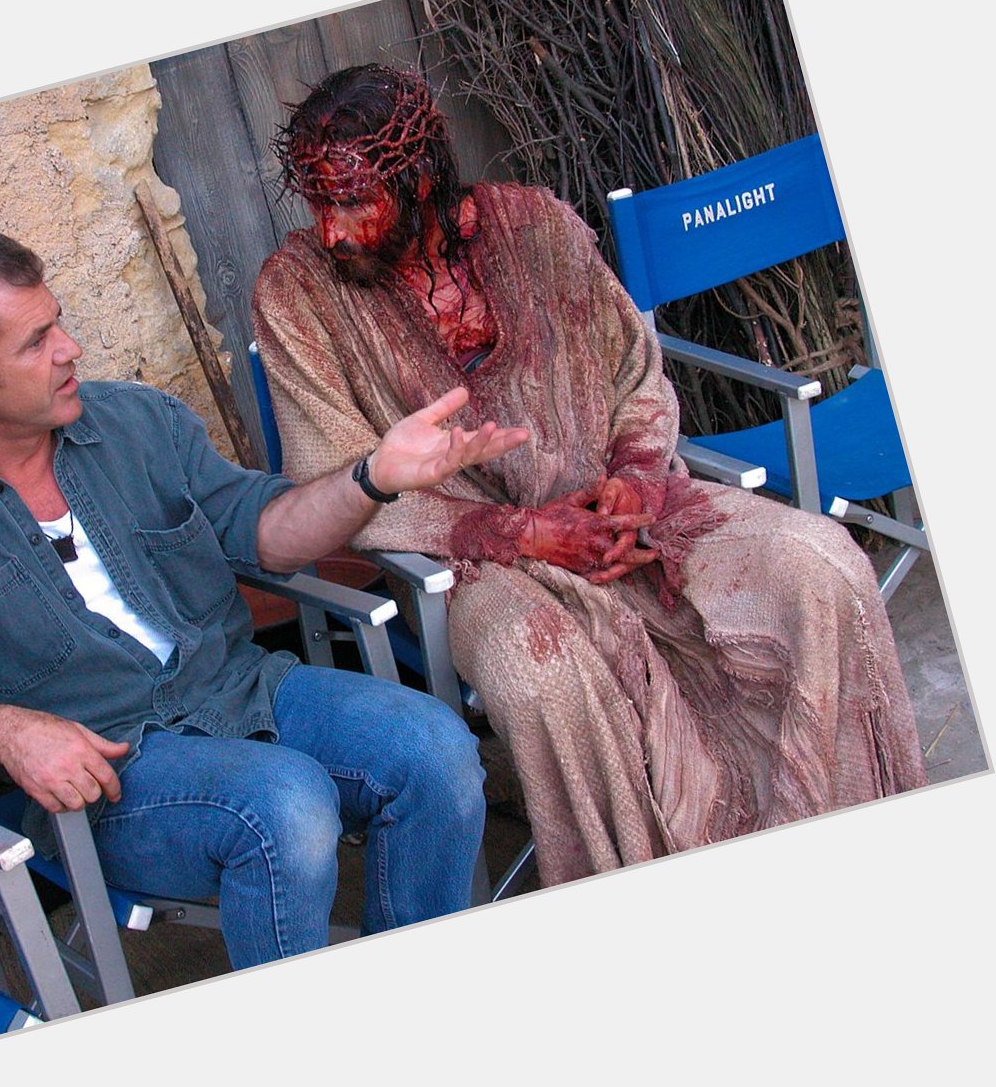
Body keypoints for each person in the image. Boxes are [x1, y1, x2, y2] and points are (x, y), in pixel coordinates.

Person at [251, 64, 927, 887]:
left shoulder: (537, 226)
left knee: (821, 565)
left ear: (419, 175)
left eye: (353, 202)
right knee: (546, 677)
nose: (332, 233)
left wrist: (639, 481)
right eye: (318, 204)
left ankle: (835, 832)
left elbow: (635, 376)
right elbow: (335, 477)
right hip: (473, 561)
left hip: (628, 506)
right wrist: (520, 532)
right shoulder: (296, 294)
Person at [0, 229, 531, 969]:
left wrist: (373, 477)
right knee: (286, 806)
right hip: (114, 777)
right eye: (37, 342)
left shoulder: (137, 424)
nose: (70, 348)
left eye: (59, 322)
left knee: (438, 751)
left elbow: (267, 532)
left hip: (237, 689)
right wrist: (5, 731)